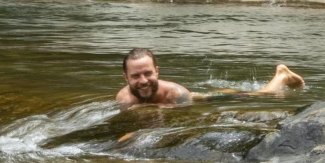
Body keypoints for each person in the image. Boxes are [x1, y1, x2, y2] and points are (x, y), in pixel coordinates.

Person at [116, 48, 303, 107]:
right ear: (125, 77)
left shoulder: (177, 95)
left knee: (259, 95)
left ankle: (282, 75)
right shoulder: (123, 98)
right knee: (206, 93)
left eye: (148, 73)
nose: (143, 81)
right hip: (194, 95)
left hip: (190, 100)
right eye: (135, 76)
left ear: (157, 71)